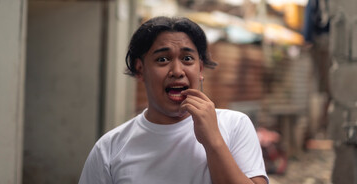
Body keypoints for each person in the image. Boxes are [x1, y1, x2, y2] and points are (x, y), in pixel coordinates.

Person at [79, 16, 268, 184]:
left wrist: (213, 141)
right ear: (140, 70)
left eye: (187, 58)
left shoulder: (234, 125)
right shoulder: (110, 149)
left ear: (200, 69)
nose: (177, 71)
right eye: (162, 59)